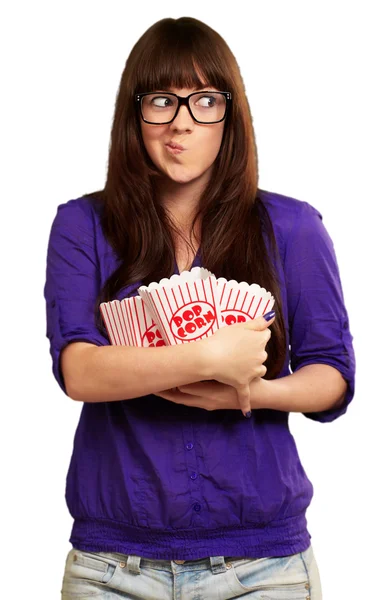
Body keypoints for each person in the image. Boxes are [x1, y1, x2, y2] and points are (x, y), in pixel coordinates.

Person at [44, 16, 355, 600]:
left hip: (264, 566)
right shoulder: (81, 225)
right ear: (134, 115)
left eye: (204, 101)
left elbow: (332, 376)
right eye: (161, 100)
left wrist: (249, 390)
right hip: (112, 567)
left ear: (229, 116)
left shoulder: (292, 226)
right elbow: (79, 371)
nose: (180, 125)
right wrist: (205, 356)